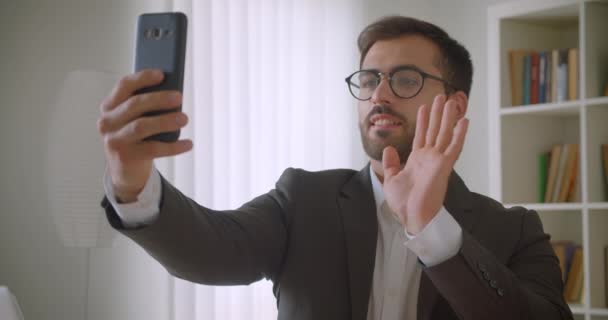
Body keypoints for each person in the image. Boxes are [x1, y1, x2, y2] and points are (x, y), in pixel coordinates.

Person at [97, 16, 573, 320]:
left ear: (454, 102)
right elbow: (212, 251)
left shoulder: (516, 231)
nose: (379, 95)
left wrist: (432, 228)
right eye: (369, 79)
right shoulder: (303, 201)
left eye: (405, 79)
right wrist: (132, 182)